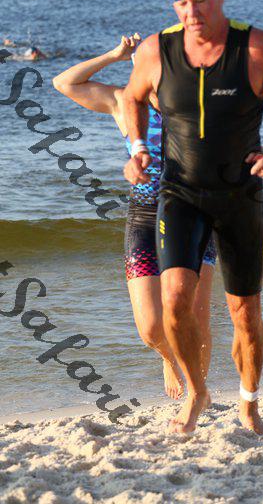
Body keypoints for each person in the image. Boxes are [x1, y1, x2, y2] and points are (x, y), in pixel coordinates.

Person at [123, 0, 263, 434]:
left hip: (238, 197)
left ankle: (249, 401)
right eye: (183, 4)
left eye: (201, 1)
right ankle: (197, 391)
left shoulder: (255, 47)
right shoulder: (157, 50)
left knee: (245, 315)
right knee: (174, 301)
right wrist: (138, 147)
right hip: (179, 193)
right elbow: (130, 97)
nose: (192, 12)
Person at [52, 34, 216, 400]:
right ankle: (168, 357)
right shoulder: (123, 104)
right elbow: (64, 83)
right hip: (144, 216)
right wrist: (114, 54)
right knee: (151, 329)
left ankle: (197, 395)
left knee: (196, 317)